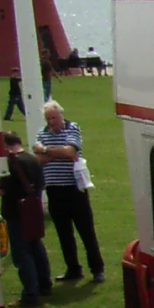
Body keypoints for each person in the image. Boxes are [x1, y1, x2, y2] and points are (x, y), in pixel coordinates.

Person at [34, 98, 103, 284]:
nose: (51, 122)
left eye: (53, 118)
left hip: (74, 189)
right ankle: (73, 268)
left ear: (61, 115)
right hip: (54, 190)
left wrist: (47, 150)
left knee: (86, 230)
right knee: (64, 233)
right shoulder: (42, 133)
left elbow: (70, 152)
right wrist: (56, 152)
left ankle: (97, 269)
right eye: (48, 118)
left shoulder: (72, 128)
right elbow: (38, 159)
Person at [0, 132, 52, 307]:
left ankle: (30, 293)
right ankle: (45, 285)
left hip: (17, 212)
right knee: (37, 247)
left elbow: (4, 189)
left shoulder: (12, 163)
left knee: (23, 254)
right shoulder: (33, 159)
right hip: (33, 210)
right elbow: (41, 183)